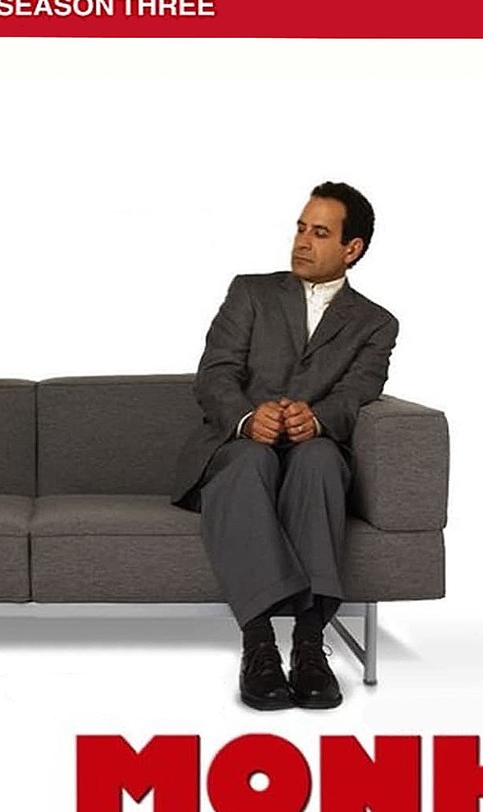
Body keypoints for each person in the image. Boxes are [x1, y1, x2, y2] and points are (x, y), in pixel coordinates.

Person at [171, 181, 398, 710]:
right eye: (300, 228)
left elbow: (359, 392)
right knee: (251, 459)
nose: (301, 241)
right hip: (237, 450)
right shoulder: (250, 292)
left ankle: (310, 645)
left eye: (319, 233)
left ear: (351, 249)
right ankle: (258, 646)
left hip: (310, 456)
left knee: (320, 459)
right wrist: (248, 418)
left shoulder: (375, 324)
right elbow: (215, 374)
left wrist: (316, 420)